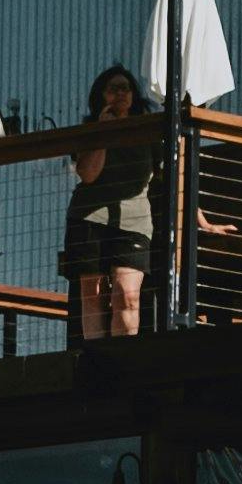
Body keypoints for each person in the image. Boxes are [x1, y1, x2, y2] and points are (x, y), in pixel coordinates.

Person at [58, 66, 160, 340]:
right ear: (101, 96)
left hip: (134, 222)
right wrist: (102, 132)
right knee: (93, 297)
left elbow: (172, 177)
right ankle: (98, 357)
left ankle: (122, 355)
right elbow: (88, 174)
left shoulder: (147, 131)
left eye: (125, 88)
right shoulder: (89, 129)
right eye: (112, 89)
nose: (119, 94)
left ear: (134, 95)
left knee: (127, 296)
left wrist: (202, 221)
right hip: (89, 218)